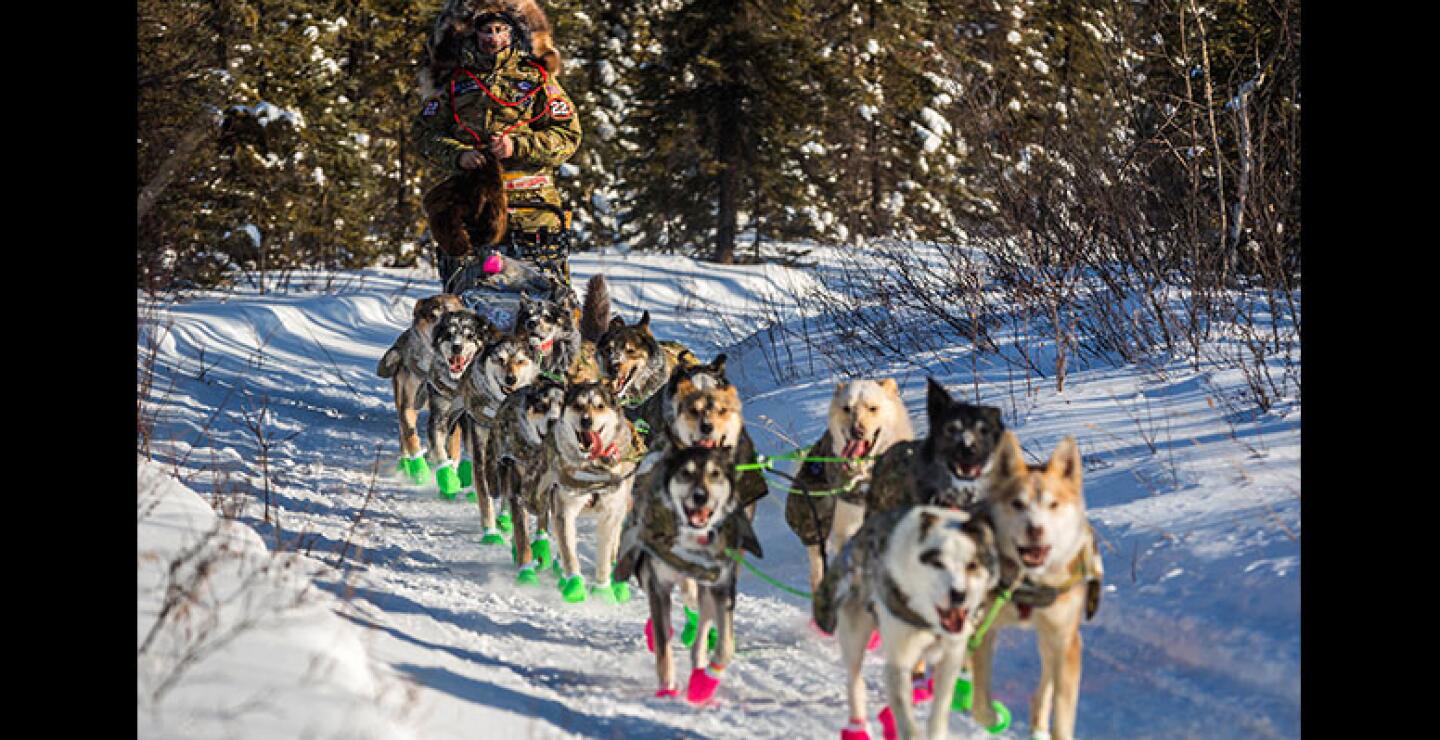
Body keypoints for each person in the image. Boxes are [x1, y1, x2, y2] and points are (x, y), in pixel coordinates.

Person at [413, 1, 581, 291]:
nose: (492, 37)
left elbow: (568, 136)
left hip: (532, 207)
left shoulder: (538, 80)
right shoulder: (455, 84)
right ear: (473, 34)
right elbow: (424, 135)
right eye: (486, 30)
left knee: (545, 296)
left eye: (500, 30)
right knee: (469, 294)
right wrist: (458, 155)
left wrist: (518, 146)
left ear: (513, 33)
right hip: (471, 206)